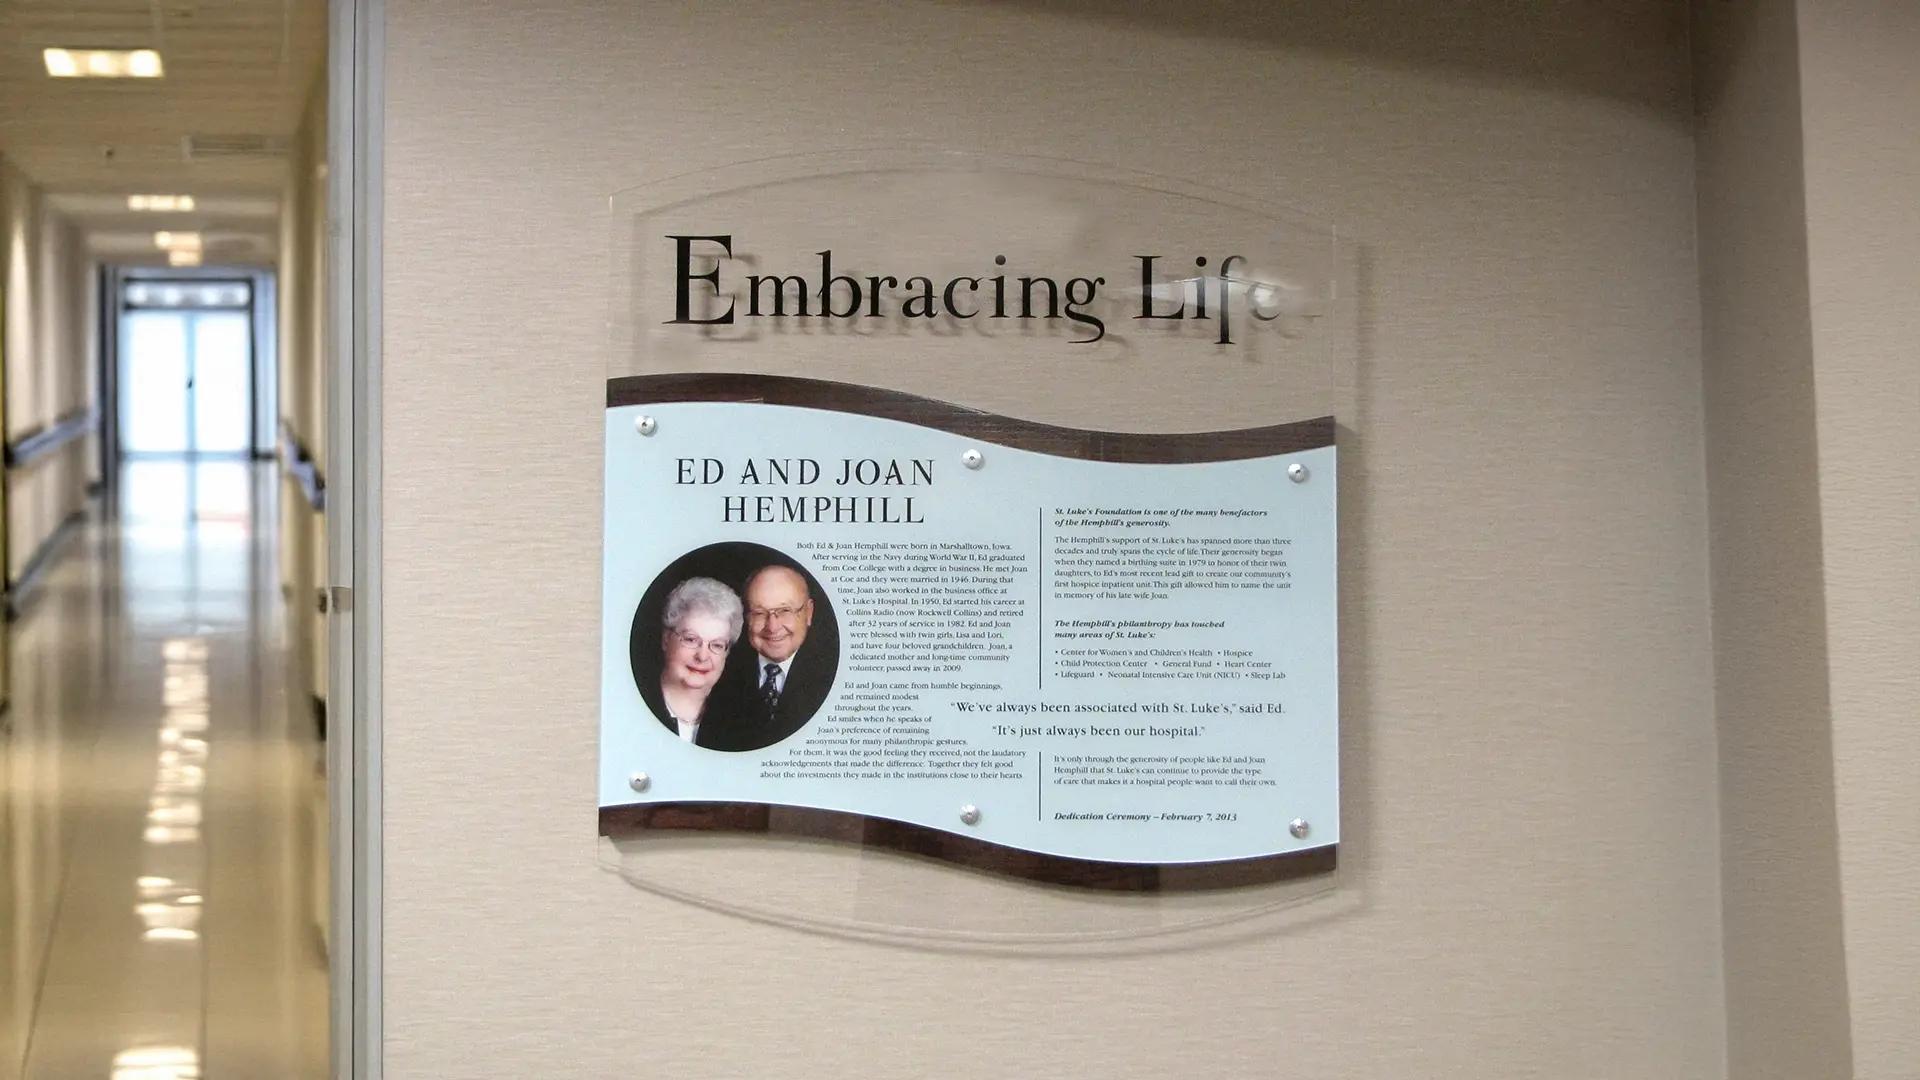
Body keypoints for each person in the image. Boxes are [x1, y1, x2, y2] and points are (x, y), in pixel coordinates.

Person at [710, 564, 834, 748]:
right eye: (759, 613)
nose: (772, 627)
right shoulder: (717, 673)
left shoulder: (833, 674)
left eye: (785, 611)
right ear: (746, 617)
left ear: (809, 613)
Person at [645, 576, 745, 749]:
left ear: (726, 652)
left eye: (717, 645)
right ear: (666, 639)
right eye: (691, 639)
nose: (702, 656)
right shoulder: (632, 707)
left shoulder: (740, 725)